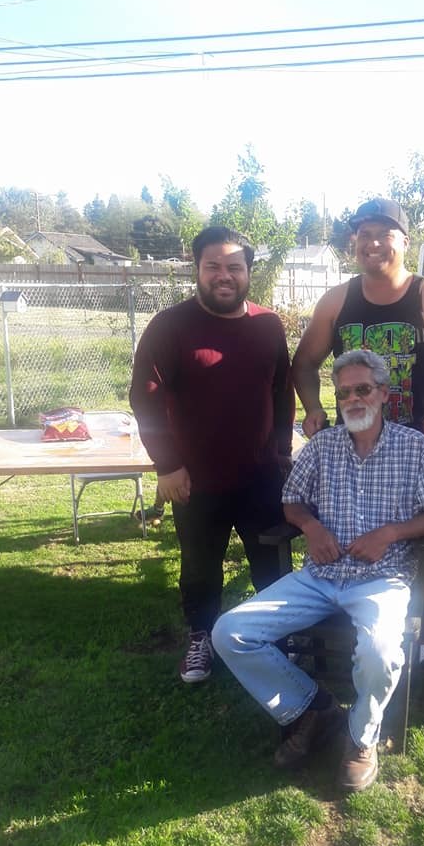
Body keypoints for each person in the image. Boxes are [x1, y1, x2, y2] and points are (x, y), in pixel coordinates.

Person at [211, 350, 424, 791]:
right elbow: (291, 500)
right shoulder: (322, 446)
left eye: (363, 389)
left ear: (383, 394)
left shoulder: (413, 447)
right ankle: (311, 708)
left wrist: (391, 533)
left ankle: (361, 737)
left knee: (381, 650)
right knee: (229, 632)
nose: (353, 399)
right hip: (320, 577)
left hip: (382, 578)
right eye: (344, 393)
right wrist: (311, 526)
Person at [292, 198, 424, 667]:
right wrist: (313, 407)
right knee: (353, 532)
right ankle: (360, 616)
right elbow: (305, 362)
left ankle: (423, 631)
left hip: (417, 442)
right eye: (364, 234)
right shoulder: (338, 299)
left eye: (384, 233)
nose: (373, 242)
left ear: (404, 242)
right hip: (352, 446)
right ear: (355, 242)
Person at [130, 225, 294, 684]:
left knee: (272, 564)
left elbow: (282, 390)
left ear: (248, 272)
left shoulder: (268, 325)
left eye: (234, 267)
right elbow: (144, 397)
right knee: (200, 565)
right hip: (194, 480)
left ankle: (279, 636)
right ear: (198, 269)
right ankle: (201, 636)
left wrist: (281, 450)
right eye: (214, 266)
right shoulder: (171, 326)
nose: (224, 275)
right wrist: (167, 465)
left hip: (261, 476)